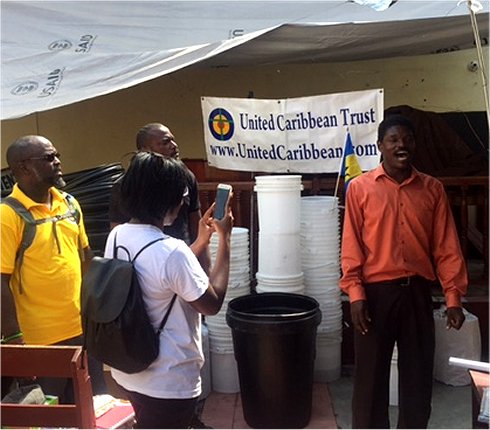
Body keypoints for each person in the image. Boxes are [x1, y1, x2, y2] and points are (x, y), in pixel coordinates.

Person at [339, 114, 468, 429]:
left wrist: (453, 297)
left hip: (417, 294)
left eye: (407, 139)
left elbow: (446, 245)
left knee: (418, 378)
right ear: (380, 146)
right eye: (393, 140)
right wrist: (355, 295)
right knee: (370, 380)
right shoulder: (360, 189)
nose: (401, 145)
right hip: (374, 297)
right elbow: (352, 245)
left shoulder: (432, 189)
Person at [106, 151, 232, 429]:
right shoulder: (171, 251)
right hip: (168, 381)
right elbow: (212, 303)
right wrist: (225, 239)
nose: (185, 200)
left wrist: (200, 240)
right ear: (168, 199)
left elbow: (159, 272)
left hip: (129, 369)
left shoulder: (118, 235)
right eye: (183, 194)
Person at [1, 135, 106, 400]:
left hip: (82, 333)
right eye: (49, 158)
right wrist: (15, 340)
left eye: (56, 155)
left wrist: (98, 315)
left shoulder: (70, 204)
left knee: (91, 410)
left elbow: (86, 259)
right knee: (50, 418)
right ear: (23, 167)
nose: (58, 162)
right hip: (40, 342)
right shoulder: (7, 215)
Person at [109, 122, 210, 269]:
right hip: (145, 267)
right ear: (145, 150)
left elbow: (196, 225)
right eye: (165, 142)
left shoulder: (186, 177)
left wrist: (206, 269)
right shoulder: (125, 186)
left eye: (173, 140)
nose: (174, 145)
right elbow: (117, 232)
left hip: (184, 259)